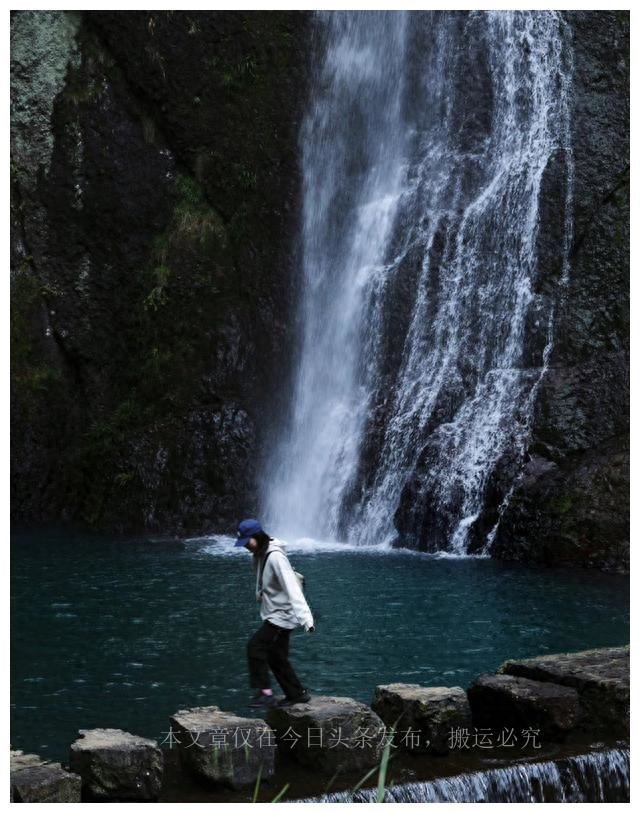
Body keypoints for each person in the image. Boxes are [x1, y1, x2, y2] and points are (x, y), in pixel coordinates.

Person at [235, 518, 315, 708]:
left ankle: (265, 693)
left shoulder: (276, 557)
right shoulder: (260, 553)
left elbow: (292, 589)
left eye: (247, 542)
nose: (246, 546)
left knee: (255, 647)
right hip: (276, 613)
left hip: (282, 616)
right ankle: (297, 694)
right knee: (276, 657)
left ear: (257, 537)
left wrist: (307, 620)